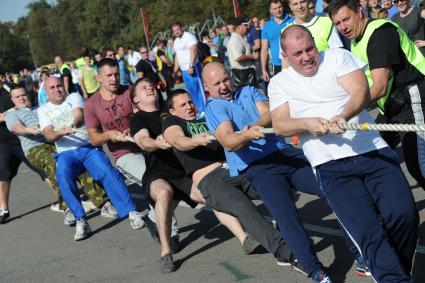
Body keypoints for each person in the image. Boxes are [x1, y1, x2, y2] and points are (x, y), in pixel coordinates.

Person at [269, 25, 418, 282]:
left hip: (373, 151)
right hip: (330, 167)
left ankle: (395, 272)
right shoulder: (279, 84)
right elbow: (281, 124)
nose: (306, 57)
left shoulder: (337, 57)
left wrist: (342, 115)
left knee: (404, 215)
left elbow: (360, 90)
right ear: (284, 55)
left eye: (309, 48)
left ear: (315, 43)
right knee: (367, 232)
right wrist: (307, 124)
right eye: (297, 53)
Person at [203, 62, 331, 283]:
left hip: (285, 154)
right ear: (207, 87)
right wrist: (247, 136)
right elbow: (228, 141)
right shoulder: (214, 107)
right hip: (259, 168)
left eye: (226, 80)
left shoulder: (249, 90)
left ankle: (361, 250)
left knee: (330, 185)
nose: (224, 86)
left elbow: (270, 114)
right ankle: (314, 270)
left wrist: (255, 125)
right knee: (286, 215)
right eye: (217, 84)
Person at [163, 89, 299, 267]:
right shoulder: (172, 122)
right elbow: (177, 140)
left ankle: (288, 229)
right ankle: (283, 251)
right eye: (183, 105)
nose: (189, 107)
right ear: (172, 111)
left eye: (190, 102)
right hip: (210, 179)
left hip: (235, 169)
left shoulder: (206, 117)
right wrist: (195, 140)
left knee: (277, 186)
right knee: (243, 207)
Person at [129, 79, 250, 272]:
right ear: (136, 99)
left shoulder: (171, 112)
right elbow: (142, 141)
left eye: (151, 86)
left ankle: (244, 238)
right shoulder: (139, 118)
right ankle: (166, 253)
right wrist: (157, 143)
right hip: (158, 173)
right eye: (144, 88)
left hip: (183, 172)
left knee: (211, 193)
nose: (150, 88)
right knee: (163, 193)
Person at [329, 0, 425, 191]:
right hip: (391, 105)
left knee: (419, 167)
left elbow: (379, 86)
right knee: (372, 151)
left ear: (359, 12)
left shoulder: (380, 33)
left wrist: (345, 112)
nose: (343, 27)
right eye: (337, 23)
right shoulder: (355, 39)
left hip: (413, 99)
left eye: (346, 19)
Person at [83, 58, 180, 242]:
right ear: (99, 77)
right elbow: (94, 138)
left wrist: (135, 127)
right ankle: (171, 232)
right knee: (158, 186)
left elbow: (145, 111)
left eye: (117, 74)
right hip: (124, 155)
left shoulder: (129, 91)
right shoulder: (91, 104)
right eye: (109, 75)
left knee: (175, 185)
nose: (114, 79)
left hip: (149, 146)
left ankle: (153, 218)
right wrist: (109, 135)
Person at [39, 76, 145, 241]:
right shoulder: (43, 110)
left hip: (87, 148)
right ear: (46, 92)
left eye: (59, 86)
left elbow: (79, 114)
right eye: (52, 88)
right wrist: (62, 132)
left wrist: (72, 123)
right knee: (63, 176)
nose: (57, 90)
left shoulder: (73, 97)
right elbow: (48, 134)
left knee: (106, 171)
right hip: (66, 153)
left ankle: (131, 211)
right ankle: (81, 219)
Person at [6, 86, 114, 225]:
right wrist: (28, 130)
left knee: (76, 160)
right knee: (54, 164)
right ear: (12, 100)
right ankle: (68, 208)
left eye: (23, 95)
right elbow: (15, 127)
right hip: (35, 148)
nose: (21, 98)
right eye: (17, 96)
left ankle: (103, 203)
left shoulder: (40, 110)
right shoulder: (12, 114)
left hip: (56, 142)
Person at [172, 22, 206, 115]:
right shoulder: (176, 41)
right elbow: (177, 57)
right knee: (191, 91)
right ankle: (199, 110)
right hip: (184, 70)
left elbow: (194, 50)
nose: (176, 32)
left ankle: (205, 109)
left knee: (198, 89)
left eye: (178, 30)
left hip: (193, 67)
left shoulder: (189, 36)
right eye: (174, 31)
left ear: (182, 28)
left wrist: (191, 65)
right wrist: (175, 71)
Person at [261, 0, 293, 82]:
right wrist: (264, 70)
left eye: (280, 7)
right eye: (275, 8)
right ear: (271, 10)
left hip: (294, 62)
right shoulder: (266, 27)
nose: (278, 10)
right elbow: (264, 51)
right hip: (277, 65)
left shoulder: (293, 21)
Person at [227, 17, 259, 89]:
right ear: (238, 27)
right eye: (245, 25)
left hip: (247, 74)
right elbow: (238, 57)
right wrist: (252, 56)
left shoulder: (240, 38)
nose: (247, 27)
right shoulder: (235, 40)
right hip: (243, 76)